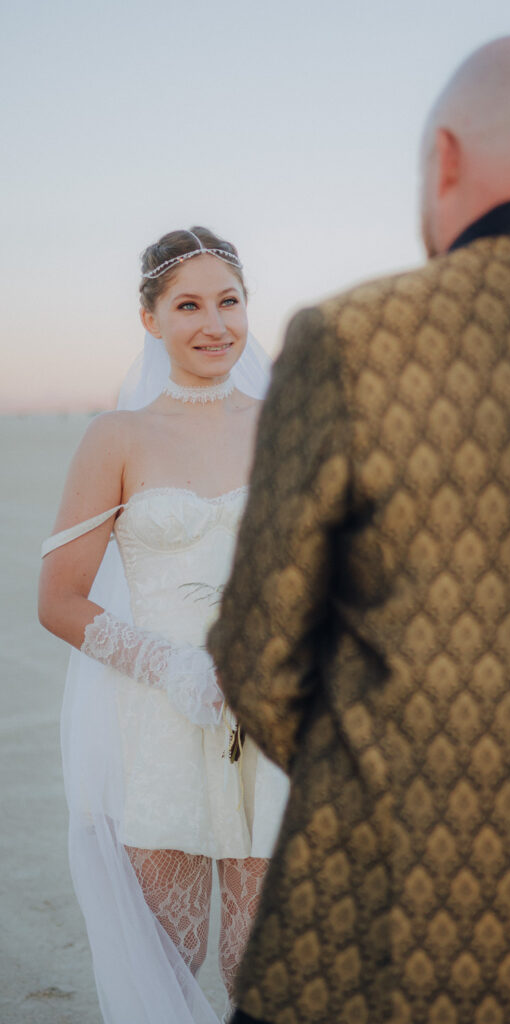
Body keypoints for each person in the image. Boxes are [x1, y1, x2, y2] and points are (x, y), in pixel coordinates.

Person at [208, 36, 510, 1024]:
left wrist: (401, 771)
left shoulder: (353, 336)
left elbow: (256, 649)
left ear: (445, 158)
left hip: (375, 947)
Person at [38, 227, 289, 1024]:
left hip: (275, 723)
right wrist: (173, 667)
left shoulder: (291, 421)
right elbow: (60, 598)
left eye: (229, 301)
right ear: (150, 320)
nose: (214, 324)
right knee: (163, 976)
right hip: (157, 724)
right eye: (188, 305)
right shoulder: (118, 437)